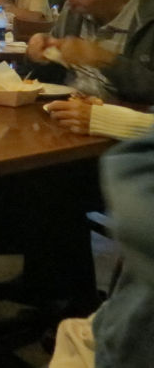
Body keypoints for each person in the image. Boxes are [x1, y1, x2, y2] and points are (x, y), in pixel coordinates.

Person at [50, 128, 154, 368]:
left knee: (55, 182)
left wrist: (102, 119)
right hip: (122, 330)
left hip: (128, 342)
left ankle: (68, 292)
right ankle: (48, 285)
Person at [26, 0, 154, 103]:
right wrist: (40, 57)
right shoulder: (74, 9)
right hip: (64, 118)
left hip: (118, 126)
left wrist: (106, 60)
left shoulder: (147, 16)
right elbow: (52, 80)